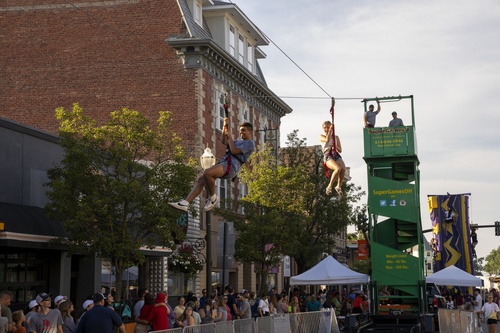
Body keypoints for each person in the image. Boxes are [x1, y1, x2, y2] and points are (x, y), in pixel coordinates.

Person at [169, 122, 255, 212]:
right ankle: (185, 203)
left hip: (231, 167)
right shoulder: (238, 142)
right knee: (201, 179)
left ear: (250, 132)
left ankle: (212, 197)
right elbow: (224, 141)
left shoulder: (250, 144)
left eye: (243, 131)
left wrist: (230, 136)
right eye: (240, 131)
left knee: (207, 173)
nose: (241, 133)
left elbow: (234, 151)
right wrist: (224, 128)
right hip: (224, 163)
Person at [319, 120, 346, 197]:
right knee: (338, 168)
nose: (326, 129)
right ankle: (329, 186)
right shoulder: (321, 136)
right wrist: (330, 131)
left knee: (343, 169)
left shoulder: (336, 137)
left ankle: (338, 186)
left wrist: (335, 146)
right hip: (328, 155)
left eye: (328, 127)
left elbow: (340, 150)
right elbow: (327, 139)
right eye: (325, 127)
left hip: (335, 154)